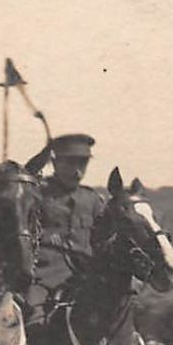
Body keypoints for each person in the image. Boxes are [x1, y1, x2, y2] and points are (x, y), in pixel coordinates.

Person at [25, 133, 107, 312]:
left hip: (85, 278)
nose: (77, 171)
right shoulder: (36, 194)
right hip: (44, 278)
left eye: (83, 163)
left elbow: (104, 241)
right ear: (54, 163)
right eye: (70, 163)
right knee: (34, 318)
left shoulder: (92, 200)